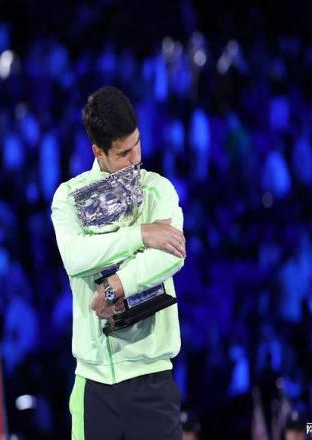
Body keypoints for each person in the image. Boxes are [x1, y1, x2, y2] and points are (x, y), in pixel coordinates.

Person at [51, 85, 186, 439]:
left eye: (137, 144)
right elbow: (75, 257)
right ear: (98, 151)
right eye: (124, 152)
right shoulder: (68, 198)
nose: (136, 158)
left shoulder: (158, 190)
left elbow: (170, 253)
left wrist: (116, 286)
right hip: (93, 383)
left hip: (152, 379)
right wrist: (140, 234)